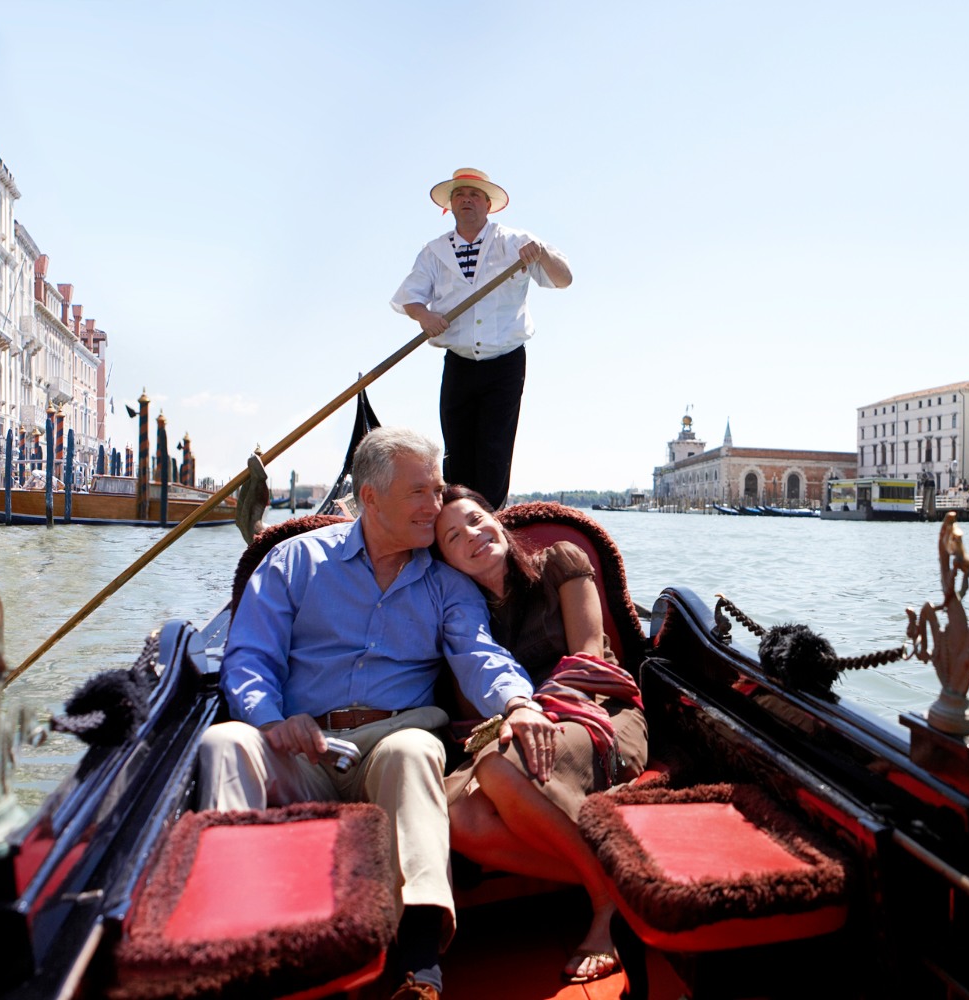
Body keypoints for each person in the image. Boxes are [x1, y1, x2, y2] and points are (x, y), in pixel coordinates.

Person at [196, 428, 551, 1000]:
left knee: (414, 752)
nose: (434, 507)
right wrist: (270, 720)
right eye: (421, 493)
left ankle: (420, 966)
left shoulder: (445, 584)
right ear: (370, 498)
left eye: (436, 491)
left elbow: (478, 654)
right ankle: (229, 942)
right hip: (300, 748)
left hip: (391, 744)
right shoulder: (297, 561)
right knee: (224, 745)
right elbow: (249, 656)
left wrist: (518, 701)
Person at [433, 486, 647, 985]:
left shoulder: (559, 562)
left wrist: (530, 714)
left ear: (497, 519)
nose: (472, 534)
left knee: (496, 765)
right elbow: (472, 711)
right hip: (517, 732)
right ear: (443, 560)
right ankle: (619, 886)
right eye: (451, 536)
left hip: (599, 712)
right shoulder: (461, 616)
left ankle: (603, 907)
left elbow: (589, 655)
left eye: (476, 518)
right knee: (455, 815)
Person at [392, 168, 572, 509]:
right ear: (451, 206)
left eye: (474, 195)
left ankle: (489, 522)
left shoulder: (516, 242)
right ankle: (457, 523)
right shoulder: (433, 252)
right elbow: (409, 298)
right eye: (460, 195)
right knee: (456, 451)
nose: (466, 200)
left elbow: (563, 280)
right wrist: (424, 316)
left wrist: (543, 254)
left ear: (488, 205)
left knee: (494, 451)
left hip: (505, 362)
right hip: (459, 364)